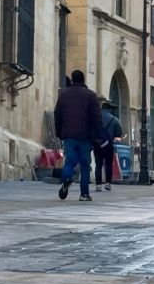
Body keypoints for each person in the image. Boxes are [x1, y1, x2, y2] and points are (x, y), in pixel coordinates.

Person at [53, 70, 104, 202]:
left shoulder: (63, 95)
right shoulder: (91, 96)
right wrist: (98, 136)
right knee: (85, 165)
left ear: (72, 79)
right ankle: (84, 194)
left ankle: (67, 178)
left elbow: (57, 114)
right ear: (83, 80)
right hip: (86, 137)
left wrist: (59, 132)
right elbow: (97, 118)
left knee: (69, 161)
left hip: (69, 135)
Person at [95, 104, 124, 192]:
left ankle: (98, 185)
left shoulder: (96, 118)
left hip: (98, 144)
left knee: (98, 165)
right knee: (108, 164)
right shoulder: (114, 119)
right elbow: (119, 133)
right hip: (108, 144)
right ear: (109, 110)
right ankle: (108, 183)